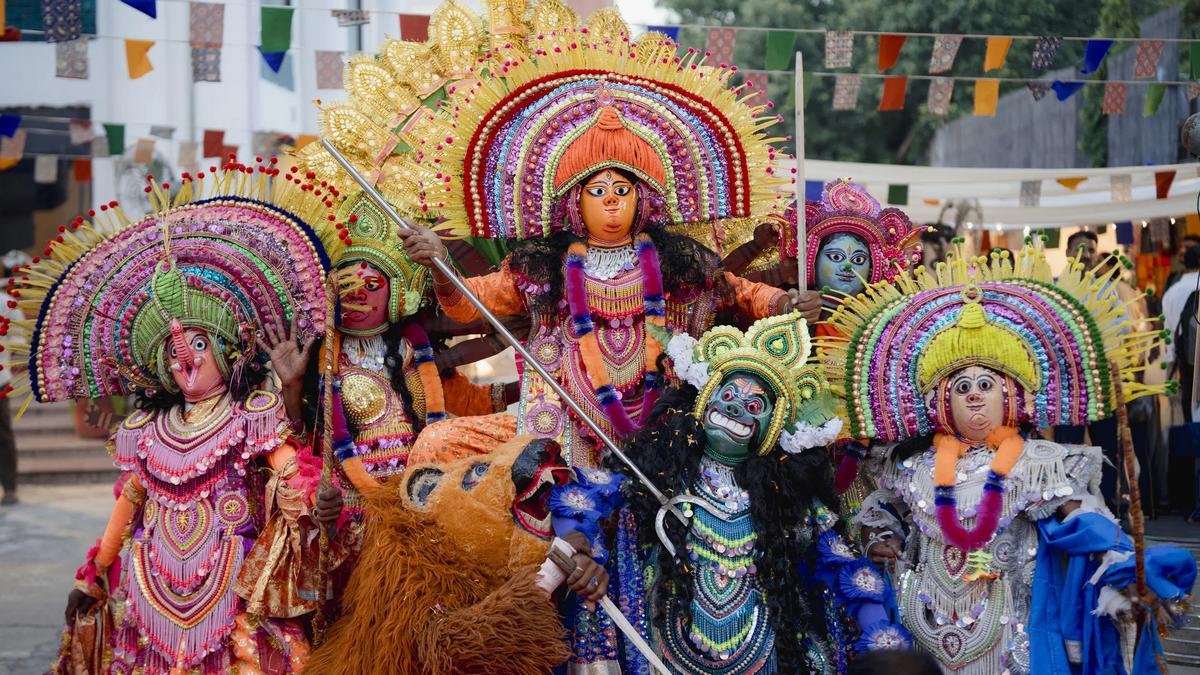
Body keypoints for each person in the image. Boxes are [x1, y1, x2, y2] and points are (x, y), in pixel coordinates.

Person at [7, 162, 346, 673]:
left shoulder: (252, 415)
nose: (184, 356)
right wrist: (94, 573)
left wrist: (314, 500)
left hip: (232, 593)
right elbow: (131, 501)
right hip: (150, 594)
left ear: (228, 352)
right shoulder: (147, 430)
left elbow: (290, 471)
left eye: (199, 344)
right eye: (172, 351)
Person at [822, 241, 1195, 674]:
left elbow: (1081, 522)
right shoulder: (914, 463)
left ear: (1012, 396)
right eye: (961, 387)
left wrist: (1122, 566)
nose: (974, 395)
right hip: (921, 629)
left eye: (986, 384)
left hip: (1009, 634)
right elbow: (883, 510)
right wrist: (879, 538)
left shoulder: (1040, 462)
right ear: (941, 402)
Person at [616, 313, 909, 673]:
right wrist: (576, 542)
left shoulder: (787, 496)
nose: (735, 408)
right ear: (705, 398)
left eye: (754, 407)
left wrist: (881, 638)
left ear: (774, 427)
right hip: (666, 648)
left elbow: (845, 569)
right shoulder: (664, 469)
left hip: (767, 650)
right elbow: (596, 504)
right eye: (728, 395)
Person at [0, 256, 23, 505]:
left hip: (0, 378)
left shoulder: (5, 302)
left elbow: (17, 338)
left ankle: (9, 487)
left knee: (3, 434)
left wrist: (14, 360)